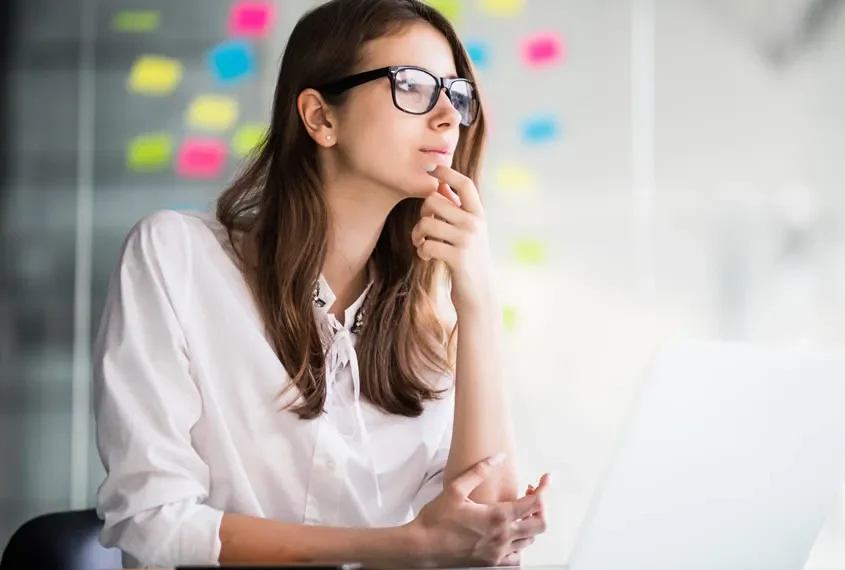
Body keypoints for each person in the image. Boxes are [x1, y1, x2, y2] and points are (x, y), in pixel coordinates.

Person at [92, 0, 550, 567]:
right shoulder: (176, 257)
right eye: (412, 86)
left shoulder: (431, 320)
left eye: (455, 93)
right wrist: (401, 547)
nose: (446, 117)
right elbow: (151, 521)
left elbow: (485, 541)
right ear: (320, 118)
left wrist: (478, 303)